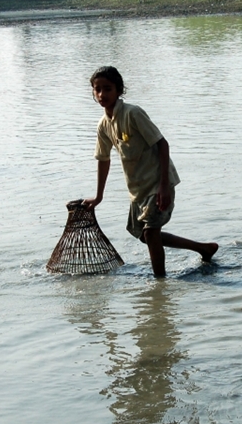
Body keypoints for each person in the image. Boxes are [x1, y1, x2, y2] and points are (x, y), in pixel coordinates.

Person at [82, 66, 218, 277]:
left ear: (119, 90)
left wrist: (164, 186)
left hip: (158, 182)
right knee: (146, 236)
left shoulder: (132, 113)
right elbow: (103, 159)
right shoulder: (104, 125)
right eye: (97, 89)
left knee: (150, 232)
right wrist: (98, 196)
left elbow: (162, 144)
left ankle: (159, 284)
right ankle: (204, 248)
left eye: (107, 89)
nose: (102, 95)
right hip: (138, 189)